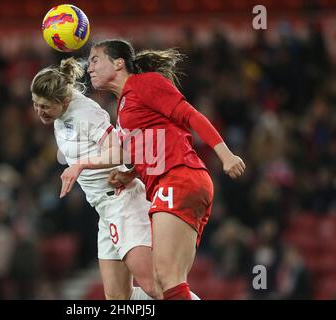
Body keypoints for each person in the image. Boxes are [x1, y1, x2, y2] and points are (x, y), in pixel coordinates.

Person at [62, 39, 245, 300]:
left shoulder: (145, 83)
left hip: (179, 177)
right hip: (171, 181)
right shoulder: (124, 107)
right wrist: (132, 173)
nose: (88, 67)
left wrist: (225, 154)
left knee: (166, 279)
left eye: (94, 60)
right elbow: (154, 145)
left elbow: (190, 115)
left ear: (118, 63)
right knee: (165, 282)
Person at [30, 57, 162, 300]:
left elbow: (123, 151)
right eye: (36, 104)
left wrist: (81, 165)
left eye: (46, 106)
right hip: (105, 209)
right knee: (118, 297)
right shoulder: (62, 110)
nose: (40, 111)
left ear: (65, 101)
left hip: (123, 204)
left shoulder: (86, 115)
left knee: (154, 286)